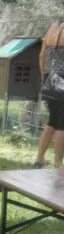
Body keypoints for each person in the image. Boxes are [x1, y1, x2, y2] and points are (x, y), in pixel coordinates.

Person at [34, 18, 64, 168]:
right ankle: (58, 163)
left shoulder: (52, 27)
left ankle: (40, 158)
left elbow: (41, 55)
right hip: (62, 81)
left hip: (49, 80)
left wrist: (44, 77)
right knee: (62, 125)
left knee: (52, 121)